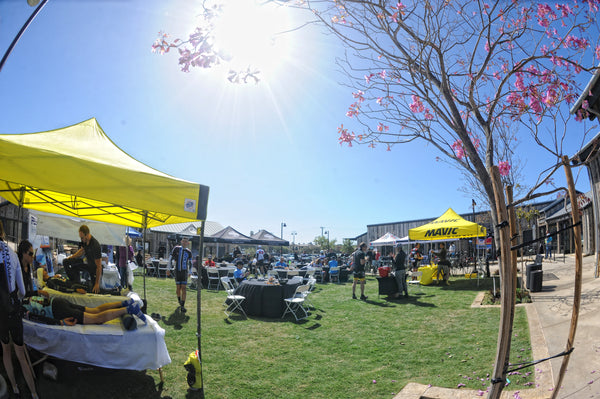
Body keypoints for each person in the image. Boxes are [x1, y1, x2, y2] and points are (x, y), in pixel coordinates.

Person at [0, 222, 40, 399]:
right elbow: (22, 291)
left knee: (5, 351)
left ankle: (15, 388)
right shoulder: (12, 254)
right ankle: (33, 393)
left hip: (0, 312)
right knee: (21, 353)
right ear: (2, 231)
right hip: (13, 309)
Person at [22, 295, 145, 325]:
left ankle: (128, 309)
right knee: (95, 310)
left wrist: (60, 322)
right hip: (57, 301)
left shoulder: (20, 310)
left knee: (96, 319)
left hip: (57, 310)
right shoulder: (23, 298)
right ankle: (124, 303)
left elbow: (38, 318)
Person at [63, 225, 103, 293]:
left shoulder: (95, 245)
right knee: (66, 262)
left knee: (95, 290)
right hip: (87, 263)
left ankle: (114, 292)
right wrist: (71, 257)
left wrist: (97, 283)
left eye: (82, 238)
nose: (81, 239)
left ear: (87, 235)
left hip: (94, 268)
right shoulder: (85, 241)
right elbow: (82, 251)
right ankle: (76, 284)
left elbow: (99, 267)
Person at [170, 237, 192, 313]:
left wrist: (190, 271)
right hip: (177, 270)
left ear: (188, 243)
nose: (184, 243)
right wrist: (168, 268)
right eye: (183, 241)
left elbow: (190, 262)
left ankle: (183, 306)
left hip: (184, 271)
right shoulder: (176, 248)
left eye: (186, 242)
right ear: (181, 241)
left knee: (184, 288)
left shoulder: (188, 252)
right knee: (178, 288)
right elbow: (170, 258)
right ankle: (179, 299)